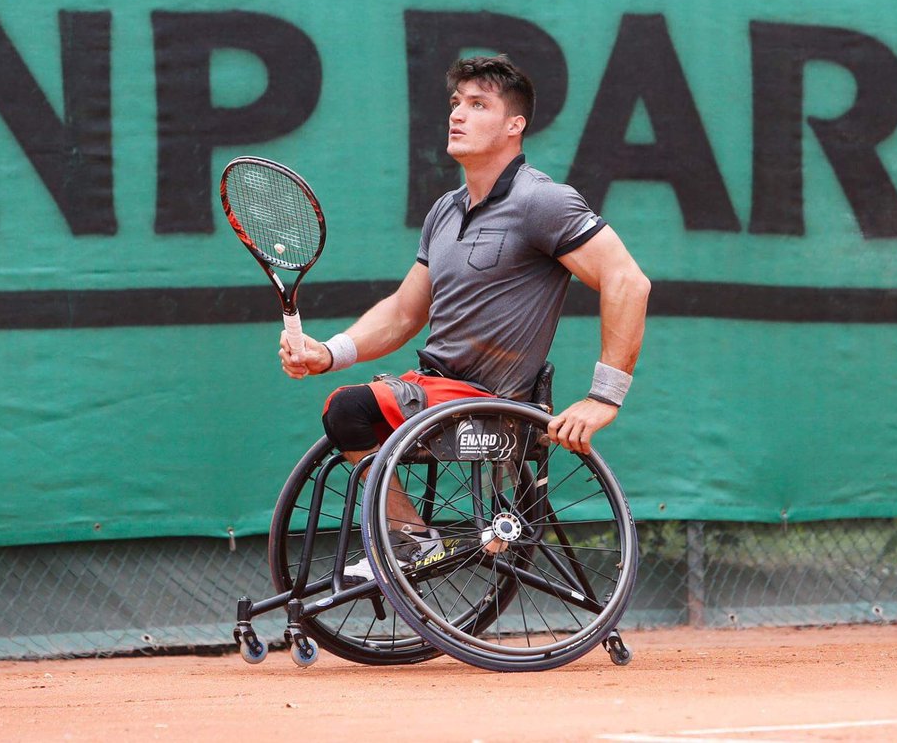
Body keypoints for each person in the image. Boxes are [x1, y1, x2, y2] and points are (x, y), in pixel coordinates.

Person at [279, 54, 650, 581]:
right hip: (435, 391)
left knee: (350, 409)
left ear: (514, 125)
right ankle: (409, 536)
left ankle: (410, 540)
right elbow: (407, 311)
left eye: (479, 105)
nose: (458, 115)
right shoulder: (445, 211)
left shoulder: (542, 202)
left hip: (490, 400)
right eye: (456, 103)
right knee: (348, 410)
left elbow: (628, 281)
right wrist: (329, 352)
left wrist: (603, 397)